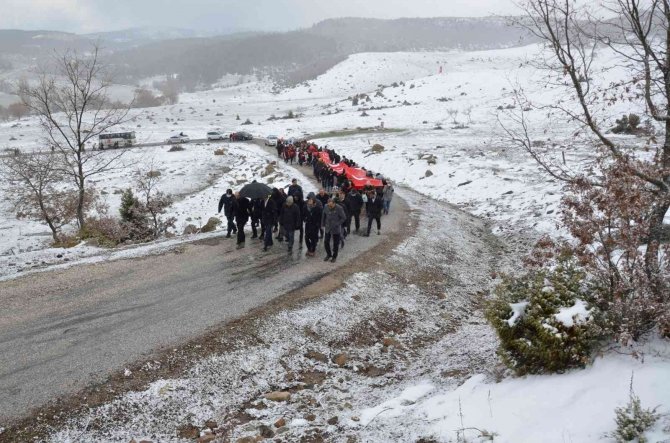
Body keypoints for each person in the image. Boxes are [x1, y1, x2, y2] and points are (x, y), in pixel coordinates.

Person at [322, 198, 346, 263]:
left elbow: (344, 218)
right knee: (326, 242)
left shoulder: (339, 208)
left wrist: (337, 224)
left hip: (336, 228)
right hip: (328, 227)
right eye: (328, 205)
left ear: (334, 203)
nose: (329, 206)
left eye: (331, 205)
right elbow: (323, 215)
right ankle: (329, 254)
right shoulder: (326, 206)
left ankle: (334, 256)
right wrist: (322, 224)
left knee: (336, 243)